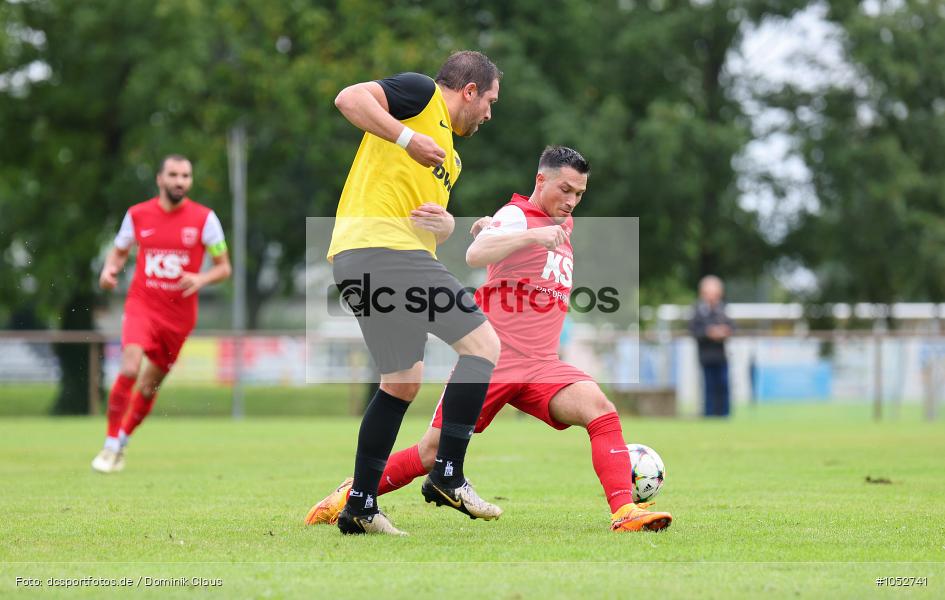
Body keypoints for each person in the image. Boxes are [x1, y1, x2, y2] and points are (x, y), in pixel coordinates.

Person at [307, 146, 673, 533]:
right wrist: (517, 233)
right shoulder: (517, 215)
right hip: (491, 360)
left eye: (579, 194)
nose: (571, 201)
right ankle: (349, 495)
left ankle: (624, 512)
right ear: (540, 180)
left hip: (542, 365)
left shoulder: (560, 223)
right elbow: (475, 254)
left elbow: (501, 245)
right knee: (431, 454)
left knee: (601, 410)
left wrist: (509, 232)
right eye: (565, 190)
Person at [324, 51, 504, 535]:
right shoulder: (420, 94)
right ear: (469, 91)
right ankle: (447, 472)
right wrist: (406, 137)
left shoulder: (454, 159)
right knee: (483, 345)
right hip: (380, 249)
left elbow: (427, 224)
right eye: (489, 100)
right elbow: (349, 98)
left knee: (402, 381)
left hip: (368, 256)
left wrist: (447, 226)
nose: (489, 113)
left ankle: (359, 506)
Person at [91, 155, 231, 473]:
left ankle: (122, 442)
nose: (180, 181)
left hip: (179, 318)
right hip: (142, 304)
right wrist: (109, 270)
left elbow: (225, 268)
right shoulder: (137, 215)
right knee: (129, 367)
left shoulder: (205, 219)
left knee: (148, 386)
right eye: (173, 175)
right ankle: (110, 444)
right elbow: (119, 250)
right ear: (160, 179)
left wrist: (201, 278)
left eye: (185, 176)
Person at [689, 275, 734, 417]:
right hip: (706, 356)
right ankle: (709, 415)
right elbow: (694, 330)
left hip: (721, 356)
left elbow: (733, 326)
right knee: (709, 388)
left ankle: (724, 415)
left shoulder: (723, 309)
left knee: (724, 386)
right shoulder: (698, 310)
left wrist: (725, 331)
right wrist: (709, 333)